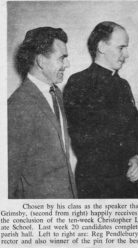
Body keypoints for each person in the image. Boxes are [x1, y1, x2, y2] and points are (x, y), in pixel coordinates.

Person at [63, 21, 138, 198]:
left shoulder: (123, 85)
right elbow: (84, 141)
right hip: (98, 186)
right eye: (121, 47)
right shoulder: (79, 83)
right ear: (101, 47)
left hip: (129, 184)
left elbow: (137, 130)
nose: (126, 54)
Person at [8, 27, 77, 198]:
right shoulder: (19, 104)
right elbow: (8, 177)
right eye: (62, 58)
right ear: (40, 61)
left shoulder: (57, 94)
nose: (67, 64)